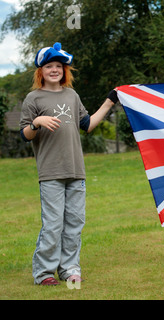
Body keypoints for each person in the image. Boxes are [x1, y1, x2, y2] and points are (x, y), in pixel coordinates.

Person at [20, 42, 119, 285]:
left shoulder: (72, 95)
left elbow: (87, 124)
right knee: (53, 225)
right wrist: (37, 122)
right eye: (49, 66)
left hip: (76, 171)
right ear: (40, 71)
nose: (55, 70)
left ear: (65, 70)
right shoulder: (33, 98)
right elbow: (24, 135)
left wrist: (110, 101)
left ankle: (69, 269)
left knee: (74, 224)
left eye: (59, 66)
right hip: (51, 172)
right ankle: (44, 273)